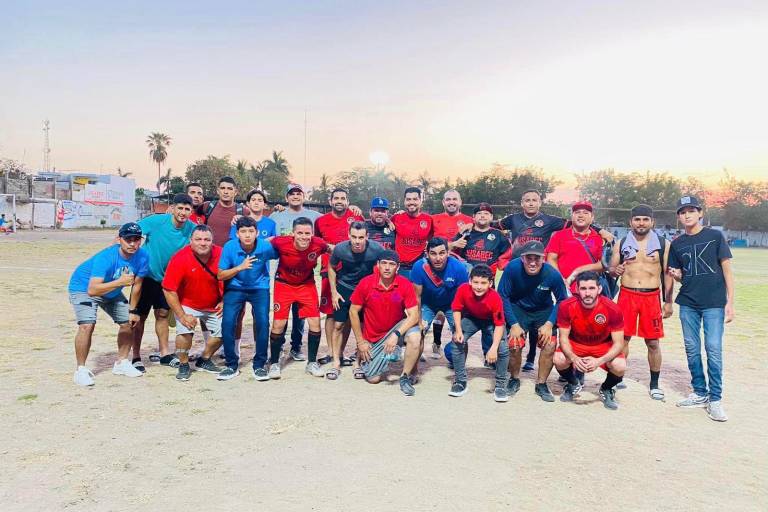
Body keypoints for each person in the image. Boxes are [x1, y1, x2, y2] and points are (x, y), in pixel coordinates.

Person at [665, 196, 734, 422]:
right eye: (683, 212)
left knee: (713, 349)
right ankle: (700, 392)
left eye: (691, 211)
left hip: (714, 303)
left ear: (700, 213)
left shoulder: (715, 237)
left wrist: (730, 302)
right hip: (688, 303)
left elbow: (726, 270)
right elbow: (682, 276)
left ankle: (715, 399)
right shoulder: (677, 244)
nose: (687, 215)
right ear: (679, 217)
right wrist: (678, 277)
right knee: (692, 349)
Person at [69, 222, 148, 385]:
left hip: (111, 290)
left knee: (130, 322)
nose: (133, 243)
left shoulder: (143, 256)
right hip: (83, 288)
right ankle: (81, 370)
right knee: (87, 325)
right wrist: (119, 282)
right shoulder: (106, 257)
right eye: (128, 239)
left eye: (136, 239)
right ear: (120, 239)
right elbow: (93, 290)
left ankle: (121, 363)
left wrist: (133, 310)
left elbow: (137, 285)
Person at [609, 204, 669, 400]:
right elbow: (612, 268)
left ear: (652, 222)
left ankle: (654, 384)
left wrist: (668, 301)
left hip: (651, 297)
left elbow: (667, 274)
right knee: (622, 338)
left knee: (652, 342)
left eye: (645, 219)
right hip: (627, 295)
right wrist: (615, 270)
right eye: (637, 219)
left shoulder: (663, 243)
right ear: (631, 222)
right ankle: (618, 377)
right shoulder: (622, 242)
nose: (641, 223)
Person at [497, 241, 568, 402]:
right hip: (518, 308)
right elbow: (502, 295)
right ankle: (514, 379)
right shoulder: (512, 268)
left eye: (537, 258)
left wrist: (550, 323)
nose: (533, 262)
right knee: (514, 344)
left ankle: (541, 384)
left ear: (543, 259)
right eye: (529, 258)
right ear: (522, 258)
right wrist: (514, 324)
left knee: (549, 344)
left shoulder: (552, 274)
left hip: (543, 310)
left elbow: (562, 300)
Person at [133, 193, 196, 371]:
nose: (183, 212)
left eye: (187, 209)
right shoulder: (156, 221)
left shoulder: (192, 228)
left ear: (191, 211)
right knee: (139, 317)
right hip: (146, 276)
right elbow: (132, 233)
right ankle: (136, 357)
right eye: (180, 208)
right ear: (172, 208)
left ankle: (164, 354)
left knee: (161, 315)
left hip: (168, 281)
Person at [349, 250, 422, 396]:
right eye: (384, 263)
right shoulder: (366, 283)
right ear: (378, 265)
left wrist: (395, 335)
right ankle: (383, 356)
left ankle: (405, 376)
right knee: (373, 378)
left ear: (398, 267)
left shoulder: (404, 284)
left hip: (396, 330)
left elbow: (414, 316)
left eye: (391, 264)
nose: (387, 267)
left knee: (416, 334)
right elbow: (353, 311)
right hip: (374, 338)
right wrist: (360, 342)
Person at [553, 271, 626, 410]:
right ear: (577, 290)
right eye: (583, 289)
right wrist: (574, 358)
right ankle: (573, 383)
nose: (587, 293)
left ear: (599, 289)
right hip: (576, 343)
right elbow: (563, 338)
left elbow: (619, 343)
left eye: (592, 288)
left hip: (602, 345)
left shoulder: (612, 308)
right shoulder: (566, 306)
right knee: (559, 359)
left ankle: (606, 389)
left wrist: (599, 361)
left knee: (620, 365)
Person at [216, 217, 278, 381]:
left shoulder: (264, 246)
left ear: (257, 232)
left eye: (251, 231)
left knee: (263, 322)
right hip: (236, 287)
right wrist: (240, 267)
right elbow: (220, 275)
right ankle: (231, 364)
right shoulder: (230, 247)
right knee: (228, 322)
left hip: (259, 287)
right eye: (243, 231)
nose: (247, 235)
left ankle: (259, 365)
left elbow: (281, 253)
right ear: (237, 234)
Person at [161, 225, 225, 381]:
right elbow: (169, 290)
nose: (202, 243)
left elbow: (232, 280)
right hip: (187, 303)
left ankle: (204, 359)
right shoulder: (179, 258)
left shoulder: (221, 254)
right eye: (198, 239)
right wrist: (182, 315)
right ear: (191, 241)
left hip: (214, 304)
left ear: (212, 241)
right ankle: (183, 363)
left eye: (207, 240)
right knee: (184, 332)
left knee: (225, 329)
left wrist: (224, 300)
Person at [268, 217, 330, 379]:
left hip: (306, 285)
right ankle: (274, 363)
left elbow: (333, 249)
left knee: (315, 323)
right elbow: (263, 242)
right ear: (293, 233)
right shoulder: (281, 242)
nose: (304, 236)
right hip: (284, 284)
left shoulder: (318, 244)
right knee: (278, 323)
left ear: (312, 233)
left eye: (307, 233)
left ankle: (311, 362)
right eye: (300, 233)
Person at [269, 183, 322, 361]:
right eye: (292, 193)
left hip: (305, 278)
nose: (295, 196)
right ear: (286, 198)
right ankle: (278, 351)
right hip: (283, 273)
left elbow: (333, 218)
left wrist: (353, 209)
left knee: (301, 317)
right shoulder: (277, 215)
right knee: (280, 318)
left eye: (299, 193)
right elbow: (266, 238)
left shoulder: (314, 216)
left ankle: (296, 347)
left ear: (303, 196)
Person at [326, 221, 385, 379]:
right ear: (348, 236)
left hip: (365, 290)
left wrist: (378, 290)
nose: (357, 241)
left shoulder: (377, 249)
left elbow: (385, 267)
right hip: (344, 287)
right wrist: (333, 292)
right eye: (354, 237)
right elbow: (331, 267)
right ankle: (336, 363)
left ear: (367, 236)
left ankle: (358, 363)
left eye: (361, 237)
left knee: (364, 327)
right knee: (338, 325)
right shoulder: (340, 249)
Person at [314, 188, 364, 365]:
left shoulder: (356, 217)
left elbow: (363, 238)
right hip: (330, 271)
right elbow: (317, 242)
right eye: (336, 198)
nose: (339, 201)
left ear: (348, 201)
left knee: (350, 312)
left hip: (352, 272)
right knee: (330, 313)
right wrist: (328, 248)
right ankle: (330, 351)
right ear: (330, 201)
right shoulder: (320, 221)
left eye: (343, 198)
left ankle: (340, 352)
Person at [449, 264, 510, 402]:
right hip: (471, 318)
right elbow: (457, 309)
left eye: (483, 283)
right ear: (470, 281)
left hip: (491, 322)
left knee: (502, 348)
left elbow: (500, 325)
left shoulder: (495, 298)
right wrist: (458, 330)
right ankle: (460, 381)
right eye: (475, 282)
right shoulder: (463, 289)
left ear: (490, 283)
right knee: (457, 342)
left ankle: (500, 385)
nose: (479, 286)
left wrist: (493, 348)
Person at [494, 189, 613, 258]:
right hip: (517, 263)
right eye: (527, 200)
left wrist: (600, 230)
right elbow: (491, 226)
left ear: (540, 203)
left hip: (539, 264)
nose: (531, 203)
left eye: (534, 200)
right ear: (522, 203)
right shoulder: (512, 219)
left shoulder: (549, 220)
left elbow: (577, 223)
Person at [410, 237, 469, 361]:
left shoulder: (459, 268)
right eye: (433, 253)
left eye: (442, 253)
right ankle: (413, 363)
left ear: (448, 253)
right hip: (428, 304)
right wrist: (419, 322)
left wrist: (458, 325)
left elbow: (463, 298)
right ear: (427, 254)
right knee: (417, 332)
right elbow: (417, 297)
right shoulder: (419, 267)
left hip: (452, 305)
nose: (438, 258)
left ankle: (459, 365)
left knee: (461, 333)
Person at [545, 201, 605, 293]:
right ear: (572, 216)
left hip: (587, 291)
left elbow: (604, 264)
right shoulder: (559, 235)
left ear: (592, 218)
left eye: (585, 213)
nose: (581, 215)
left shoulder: (598, 238)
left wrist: (578, 270)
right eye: (577, 212)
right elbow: (551, 259)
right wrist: (561, 280)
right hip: (563, 289)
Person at [450, 202, 511, 273]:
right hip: (466, 277)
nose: (482, 216)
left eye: (486, 213)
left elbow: (507, 255)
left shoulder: (498, 235)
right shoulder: (464, 232)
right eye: (479, 213)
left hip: (487, 279)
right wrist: (455, 245)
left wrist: (501, 267)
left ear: (491, 217)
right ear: (473, 217)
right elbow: (452, 253)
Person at [390, 187, 433, 278]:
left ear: (421, 200)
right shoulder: (396, 218)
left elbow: (433, 240)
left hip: (420, 267)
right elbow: (382, 223)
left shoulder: (429, 220)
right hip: (399, 268)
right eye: (408, 199)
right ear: (404, 201)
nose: (411, 202)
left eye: (415, 199)